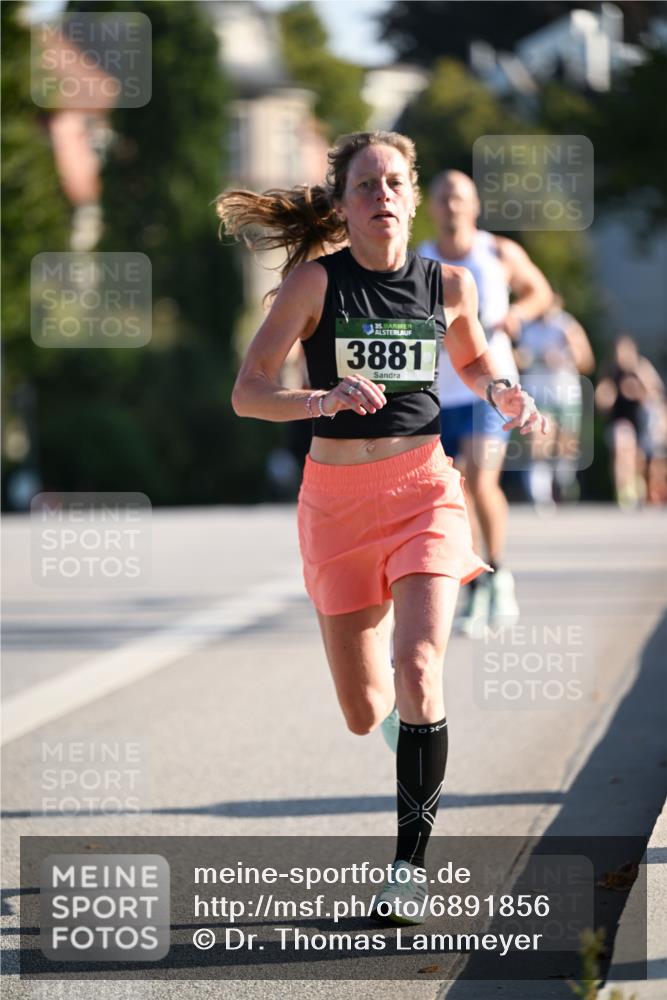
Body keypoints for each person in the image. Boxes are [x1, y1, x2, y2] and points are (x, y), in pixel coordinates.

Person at [216, 131, 546, 925]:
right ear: (342, 203)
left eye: (394, 182)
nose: (383, 196)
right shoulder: (313, 285)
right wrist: (320, 401)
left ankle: (407, 869)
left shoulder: (450, 285)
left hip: (424, 488)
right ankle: (408, 727)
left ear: (412, 193)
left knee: (421, 659)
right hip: (335, 502)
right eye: (365, 185)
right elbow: (249, 392)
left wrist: (500, 389)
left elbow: (469, 364)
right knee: (366, 710)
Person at [419, 171, 552, 634]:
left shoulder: (498, 252)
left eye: (459, 198)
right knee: (454, 492)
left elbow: (541, 292)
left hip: (493, 390)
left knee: (480, 480)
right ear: (431, 208)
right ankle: (477, 583)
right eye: (443, 199)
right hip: (439, 394)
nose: (452, 206)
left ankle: (499, 572)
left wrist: (517, 314)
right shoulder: (421, 260)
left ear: (474, 206)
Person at [516, 294, 595, 507]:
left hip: (565, 393)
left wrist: (564, 356)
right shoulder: (528, 328)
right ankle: (540, 493)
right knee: (539, 442)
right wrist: (526, 358)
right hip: (539, 395)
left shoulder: (567, 326)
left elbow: (586, 360)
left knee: (565, 445)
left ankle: (564, 486)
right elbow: (518, 358)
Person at [595, 334, 667, 508]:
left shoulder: (641, 368)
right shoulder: (611, 371)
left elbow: (656, 395)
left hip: (642, 422)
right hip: (620, 421)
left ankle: (638, 488)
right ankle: (624, 491)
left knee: (640, 458)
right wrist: (608, 394)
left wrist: (639, 383)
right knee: (623, 445)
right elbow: (602, 400)